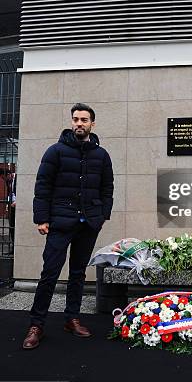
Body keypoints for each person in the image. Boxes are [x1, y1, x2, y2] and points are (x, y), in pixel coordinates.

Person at [22, 103, 114, 350]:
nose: (79, 123)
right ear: (71, 122)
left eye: (84, 119)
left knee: (77, 274)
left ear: (92, 123)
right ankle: (36, 325)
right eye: (76, 119)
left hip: (88, 224)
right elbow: (43, 186)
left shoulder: (101, 155)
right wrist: (42, 219)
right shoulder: (56, 151)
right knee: (50, 273)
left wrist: (102, 215)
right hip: (60, 222)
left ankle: (71, 319)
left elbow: (107, 187)